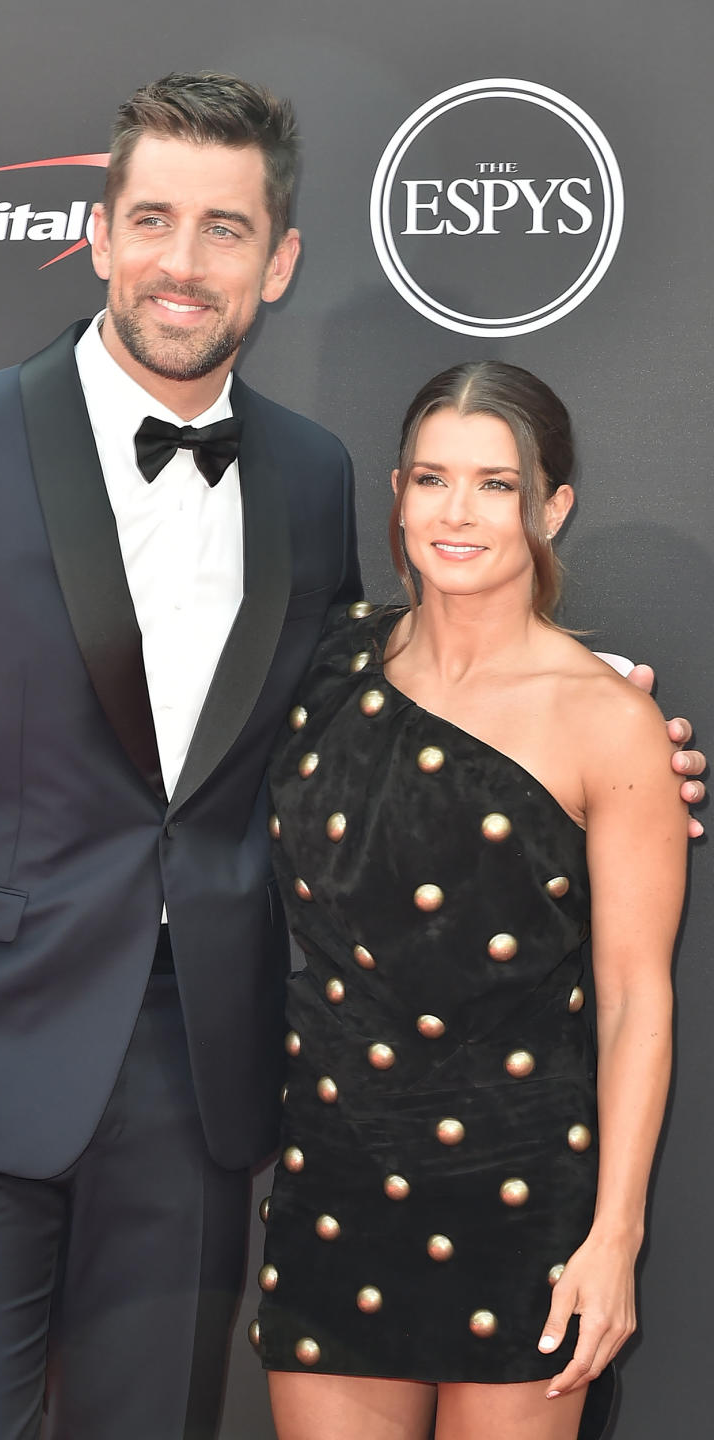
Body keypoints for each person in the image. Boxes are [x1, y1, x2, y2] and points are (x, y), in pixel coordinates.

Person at [0, 75, 701, 1440]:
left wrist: (595, 702)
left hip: (202, 1087)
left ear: (281, 262)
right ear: (99, 235)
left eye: (225, 229)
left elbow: (373, 678)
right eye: (154, 220)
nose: (183, 263)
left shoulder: (314, 476)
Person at [256, 361, 688, 1440]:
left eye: (496, 486)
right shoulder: (321, 665)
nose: (457, 514)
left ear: (553, 509)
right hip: (335, 1179)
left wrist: (614, 1239)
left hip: (521, 1197)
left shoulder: (609, 722)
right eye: (432, 479)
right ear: (396, 494)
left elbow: (637, 997)